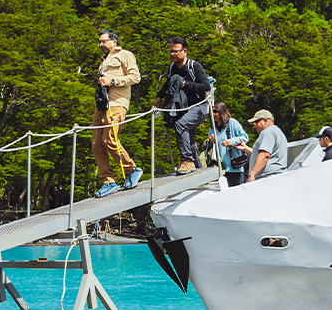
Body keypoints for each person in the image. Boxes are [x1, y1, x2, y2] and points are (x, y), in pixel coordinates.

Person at [91, 29, 143, 197]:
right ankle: (109, 181)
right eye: (99, 42)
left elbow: (135, 77)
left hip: (117, 104)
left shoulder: (125, 54)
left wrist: (112, 81)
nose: (101, 44)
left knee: (109, 139)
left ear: (114, 41)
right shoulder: (104, 61)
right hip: (102, 106)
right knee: (97, 144)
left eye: (103, 41)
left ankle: (131, 169)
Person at [154, 37, 211, 173]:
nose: (172, 54)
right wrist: (159, 97)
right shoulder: (173, 67)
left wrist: (185, 84)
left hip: (199, 106)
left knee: (180, 124)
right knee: (190, 139)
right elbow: (167, 83)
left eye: (176, 51)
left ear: (184, 51)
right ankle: (198, 169)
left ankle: (187, 160)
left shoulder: (194, 66)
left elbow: (205, 86)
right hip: (183, 108)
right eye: (171, 51)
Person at [204, 103, 251, 187]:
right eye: (211, 112)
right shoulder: (212, 128)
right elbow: (208, 148)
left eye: (215, 111)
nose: (213, 114)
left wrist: (231, 141)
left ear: (222, 111)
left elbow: (245, 137)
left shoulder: (232, 123)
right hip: (221, 170)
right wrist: (210, 142)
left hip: (235, 168)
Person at [246, 108, 288, 183]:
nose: (254, 126)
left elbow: (265, 155)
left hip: (267, 178)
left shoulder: (267, 132)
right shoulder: (277, 131)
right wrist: (244, 148)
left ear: (265, 121)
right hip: (276, 176)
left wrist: (251, 175)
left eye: (256, 122)